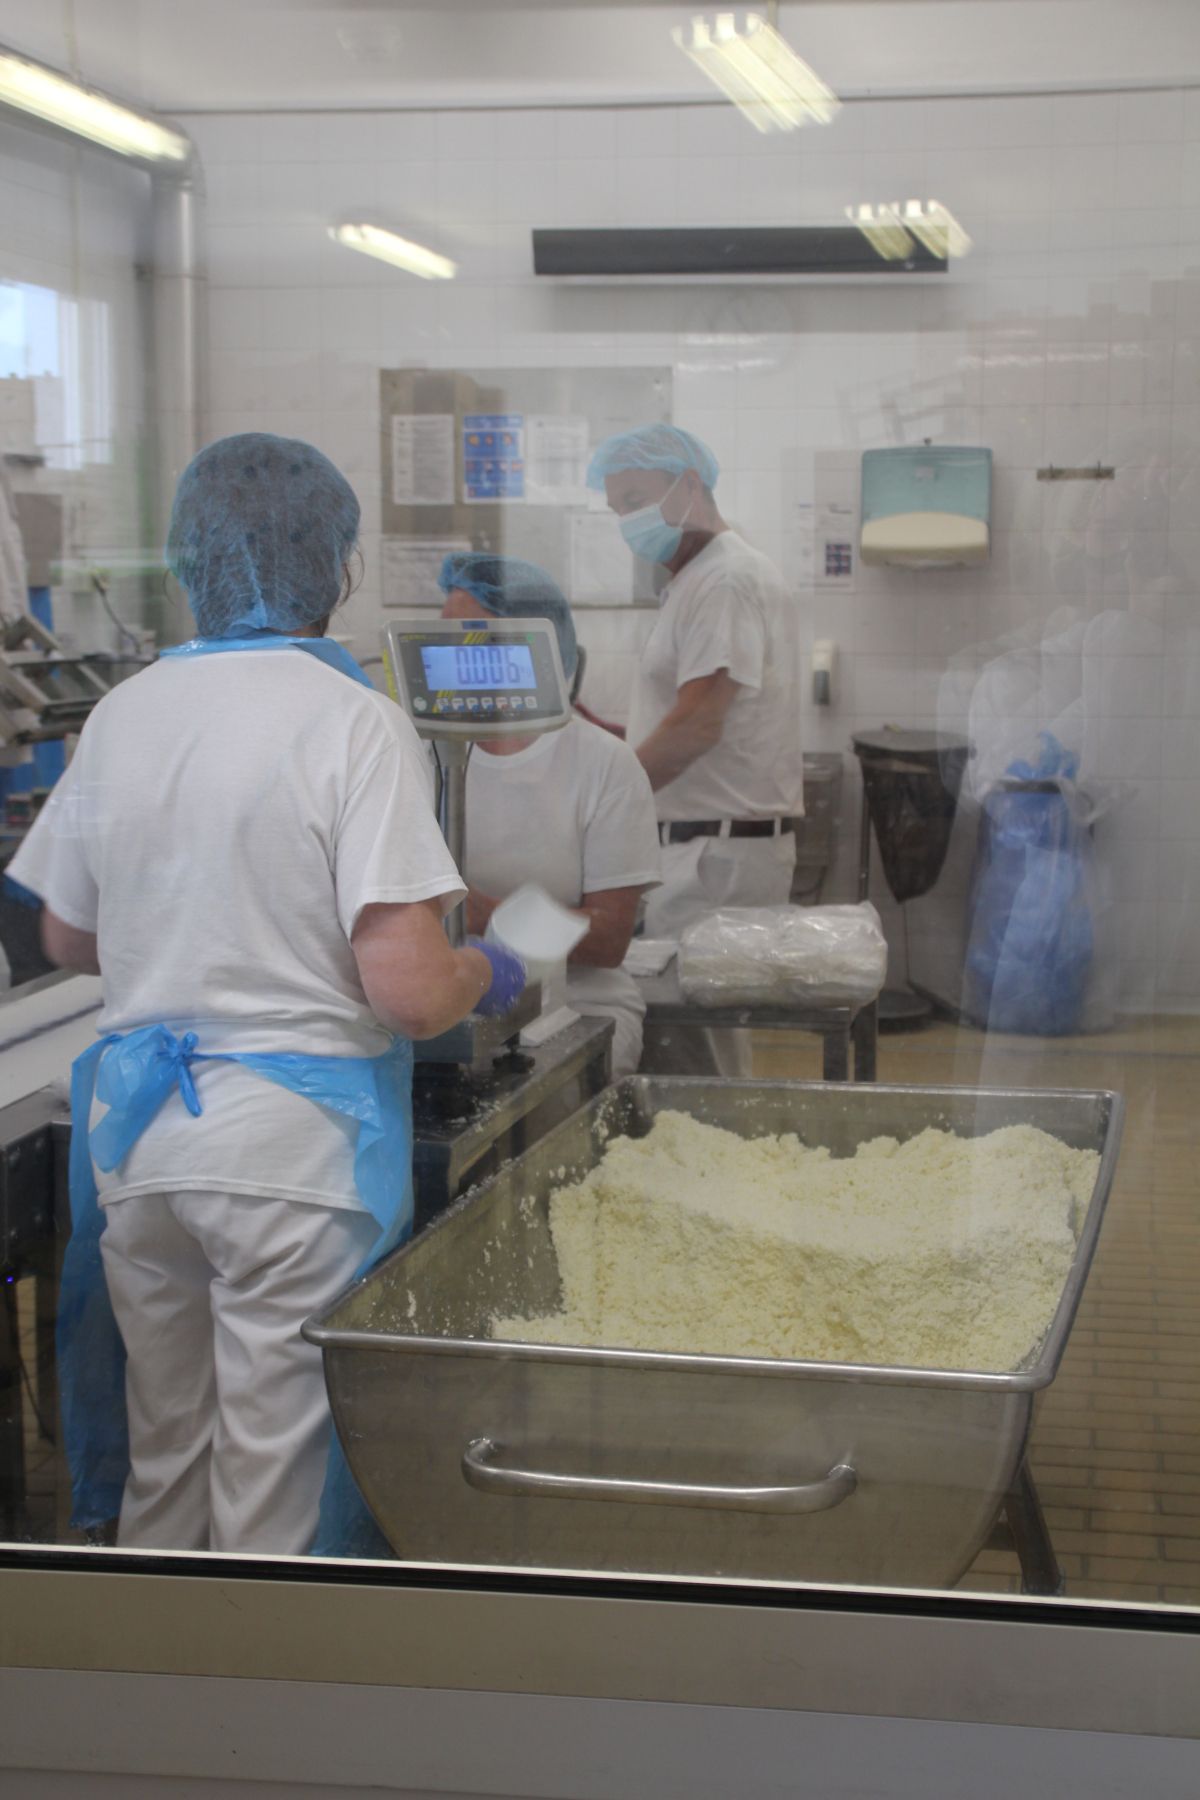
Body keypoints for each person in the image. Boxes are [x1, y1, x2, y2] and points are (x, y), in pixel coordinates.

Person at [8, 432, 523, 1556]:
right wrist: (488, 968)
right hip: (288, 1159)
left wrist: (187, 929)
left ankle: (147, 1658)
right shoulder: (353, 720)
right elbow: (410, 994)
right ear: (336, 567)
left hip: (141, 1147)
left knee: (167, 1451)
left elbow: (67, 932)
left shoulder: (122, 712)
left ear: (188, 562)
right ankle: (258, 1667)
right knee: (271, 1486)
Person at [587, 424, 804, 1073]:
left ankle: (720, 1140)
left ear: (688, 485)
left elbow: (698, 723)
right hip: (700, 851)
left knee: (702, 1057)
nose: (627, 521)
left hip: (714, 858)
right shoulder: (697, 580)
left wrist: (604, 802)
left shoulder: (725, 580)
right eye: (617, 509)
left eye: (635, 500)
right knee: (694, 1049)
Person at [439, 553, 661, 1078]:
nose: (453, 656)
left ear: (534, 650)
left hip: (579, 1004)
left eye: (476, 641)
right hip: (446, 995)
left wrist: (478, 917)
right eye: (444, 638)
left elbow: (609, 940)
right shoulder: (423, 755)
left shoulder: (602, 763)